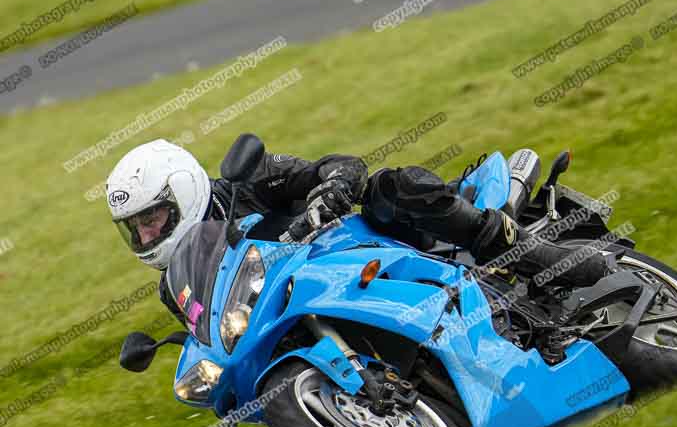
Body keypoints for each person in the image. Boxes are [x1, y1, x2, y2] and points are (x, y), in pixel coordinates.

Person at [106, 136, 524, 324]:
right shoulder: (176, 288)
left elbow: (342, 166)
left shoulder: (248, 183)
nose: (145, 238)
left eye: (151, 219)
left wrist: (331, 193)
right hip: (309, 311)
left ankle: (509, 242)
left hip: (365, 256)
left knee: (389, 187)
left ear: (181, 195)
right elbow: (216, 333)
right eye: (135, 229)